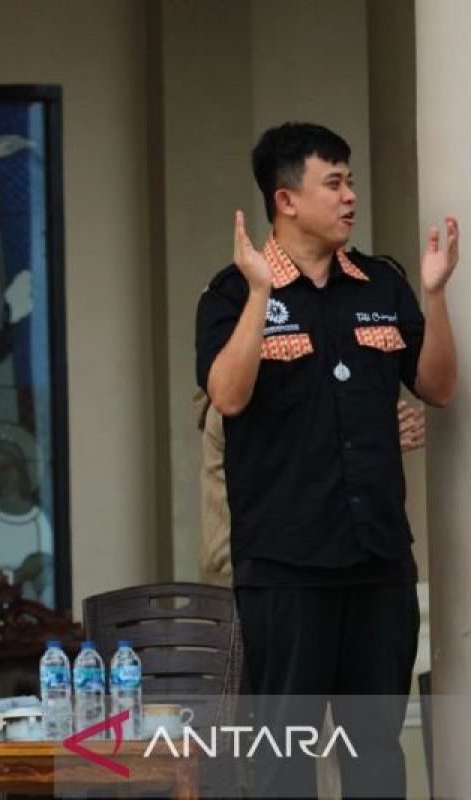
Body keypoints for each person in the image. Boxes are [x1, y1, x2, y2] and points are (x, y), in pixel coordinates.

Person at [195, 122, 457, 798]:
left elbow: (437, 387)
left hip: (377, 561)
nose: (350, 197)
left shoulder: (381, 284)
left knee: (377, 756)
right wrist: (261, 295)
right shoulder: (231, 294)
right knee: (285, 762)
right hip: (286, 570)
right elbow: (227, 394)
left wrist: (434, 296)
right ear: (286, 200)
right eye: (334, 183)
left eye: (351, 182)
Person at [195, 390, 426, 588]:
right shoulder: (237, 394)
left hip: (311, 567)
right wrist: (366, 442)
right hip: (252, 576)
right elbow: (286, 473)